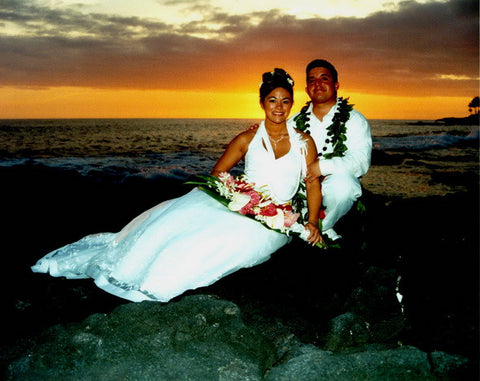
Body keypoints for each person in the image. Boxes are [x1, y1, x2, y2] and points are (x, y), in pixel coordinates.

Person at [31, 68, 322, 303]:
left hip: (278, 217)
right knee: (180, 228)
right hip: (240, 203)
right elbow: (218, 174)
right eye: (272, 100)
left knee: (241, 241)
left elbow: (312, 185)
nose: (279, 107)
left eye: (285, 101)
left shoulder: (304, 143)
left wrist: (311, 223)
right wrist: (242, 196)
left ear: (291, 104)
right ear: (262, 103)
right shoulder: (247, 139)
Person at [290, 59, 372, 241]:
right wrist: (256, 135)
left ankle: (320, 228)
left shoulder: (354, 119)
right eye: (311, 80)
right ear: (306, 89)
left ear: (336, 85)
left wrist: (322, 167)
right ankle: (304, 224)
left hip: (333, 189)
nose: (317, 84)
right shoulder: (294, 122)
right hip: (302, 188)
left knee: (344, 186)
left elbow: (361, 161)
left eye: (323, 79)